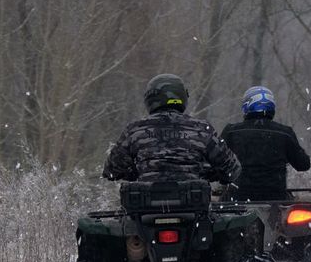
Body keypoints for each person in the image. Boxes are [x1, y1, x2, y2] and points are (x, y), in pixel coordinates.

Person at [103, 74, 241, 185]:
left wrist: (139, 172)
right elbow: (232, 170)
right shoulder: (202, 130)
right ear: (182, 97)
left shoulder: (134, 131)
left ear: (150, 98)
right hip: (193, 208)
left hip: (145, 211)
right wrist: (204, 173)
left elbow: (111, 170)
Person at [220, 85, 311, 201]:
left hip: (237, 199)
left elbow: (218, 163)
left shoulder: (231, 131)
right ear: (272, 108)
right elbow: (303, 164)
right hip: (276, 199)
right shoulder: (285, 133)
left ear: (246, 106)